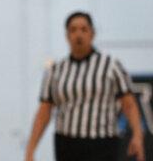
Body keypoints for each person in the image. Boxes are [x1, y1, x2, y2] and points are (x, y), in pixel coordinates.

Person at [24, 11, 145, 161]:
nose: (78, 35)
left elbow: (129, 105)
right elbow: (44, 112)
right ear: (67, 36)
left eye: (84, 29)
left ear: (92, 34)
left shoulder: (111, 66)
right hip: (67, 143)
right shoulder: (55, 71)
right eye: (73, 30)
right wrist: (30, 148)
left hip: (103, 143)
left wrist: (137, 136)